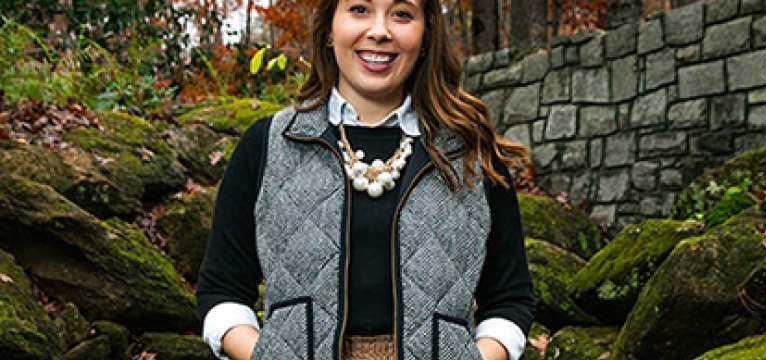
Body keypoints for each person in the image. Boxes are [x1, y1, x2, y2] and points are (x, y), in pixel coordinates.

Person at [195, 0, 536, 358]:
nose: (379, 30)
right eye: (359, 9)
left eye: (402, 13)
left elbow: (509, 301)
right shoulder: (268, 144)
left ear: (426, 36)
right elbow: (222, 292)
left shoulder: (469, 153)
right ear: (329, 28)